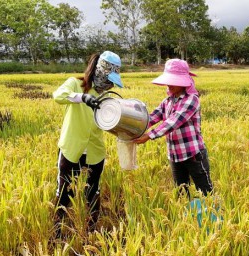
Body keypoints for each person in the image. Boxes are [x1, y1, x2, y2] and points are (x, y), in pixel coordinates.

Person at [52, 51, 123, 235]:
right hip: (72, 148)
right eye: (107, 80)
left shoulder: (106, 97)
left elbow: (110, 123)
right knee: (65, 191)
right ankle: (57, 231)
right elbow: (58, 96)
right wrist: (81, 97)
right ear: (98, 72)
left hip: (95, 151)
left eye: (111, 83)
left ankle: (91, 232)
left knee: (92, 192)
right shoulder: (75, 84)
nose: (108, 85)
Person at [134, 59, 213, 198]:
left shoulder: (191, 100)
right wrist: (133, 127)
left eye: (173, 80)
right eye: (168, 80)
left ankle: (213, 218)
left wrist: (148, 135)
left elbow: (173, 122)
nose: (169, 84)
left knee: (206, 192)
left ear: (183, 82)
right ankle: (186, 218)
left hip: (193, 155)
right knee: (181, 193)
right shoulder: (168, 101)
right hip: (175, 155)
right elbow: (152, 117)